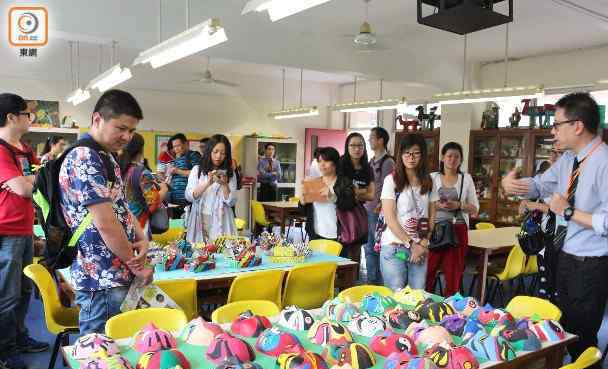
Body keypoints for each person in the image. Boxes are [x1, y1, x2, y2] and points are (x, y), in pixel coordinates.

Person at [502, 92, 608, 368]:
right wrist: (516, 186)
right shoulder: (569, 160)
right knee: (561, 331)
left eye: (557, 124)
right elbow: (540, 184)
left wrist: (568, 211)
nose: (553, 131)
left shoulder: (604, 163)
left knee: (582, 337)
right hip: (562, 255)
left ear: (577, 126)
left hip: (590, 265)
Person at [59, 89, 153, 335]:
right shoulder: (84, 157)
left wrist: (140, 237)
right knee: (99, 350)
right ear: (97, 119)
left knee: (117, 346)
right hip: (101, 276)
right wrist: (137, 267)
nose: (127, 137)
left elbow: (120, 206)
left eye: (131, 131)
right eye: (121, 128)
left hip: (115, 271)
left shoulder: (105, 157)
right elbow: (106, 223)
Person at [0, 93, 48, 369]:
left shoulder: (24, 149)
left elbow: (41, 177)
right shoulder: (1, 149)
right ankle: (4, 350)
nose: (30, 118)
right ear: (11, 117)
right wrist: (29, 180)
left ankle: (19, 337)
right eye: (27, 113)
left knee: (24, 290)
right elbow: (24, 188)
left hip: (25, 228)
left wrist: (30, 179)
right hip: (6, 231)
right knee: (7, 294)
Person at [379, 134, 434, 291]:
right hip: (395, 247)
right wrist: (411, 245)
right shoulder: (392, 181)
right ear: (400, 155)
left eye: (416, 153)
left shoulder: (429, 181)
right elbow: (390, 219)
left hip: (421, 248)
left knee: (418, 296)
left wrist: (423, 243)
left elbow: (432, 216)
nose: (411, 157)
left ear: (422, 155)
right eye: (407, 153)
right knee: (396, 297)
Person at [425, 142, 479, 296]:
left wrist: (458, 204)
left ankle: (450, 313)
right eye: (449, 156)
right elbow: (422, 204)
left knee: (453, 274)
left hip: (457, 230)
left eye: (457, 157)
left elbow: (475, 208)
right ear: (442, 158)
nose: (452, 159)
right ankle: (423, 305)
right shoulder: (432, 177)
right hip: (434, 229)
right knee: (427, 271)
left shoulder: (466, 179)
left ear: (461, 160)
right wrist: (437, 205)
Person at [185, 134, 238, 243]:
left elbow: (231, 202)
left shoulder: (230, 173)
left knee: (221, 252)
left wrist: (224, 184)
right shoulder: (197, 170)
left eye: (223, 153)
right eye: (215, 152)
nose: (218, 156)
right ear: (209, 151)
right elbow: (189, 196)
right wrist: (207, 183)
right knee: (199, 253)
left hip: (222, 220)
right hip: (200, 217)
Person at [119, 133, 169, 239]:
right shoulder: (142, 173)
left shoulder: (117, 168)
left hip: (119, 224)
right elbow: (153, 201)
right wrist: (164, 188)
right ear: (141, 149)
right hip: (138, 225)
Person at [301, 147, 357, 242]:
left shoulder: (345, 182)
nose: (322, 164)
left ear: (335, 162)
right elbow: (305, 212)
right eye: (319, 161)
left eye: (326, 161)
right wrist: (302, 201)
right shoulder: (314, 182)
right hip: (316, 235)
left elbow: (350, 205)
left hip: (339, 236)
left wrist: (333, 197)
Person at [365, 127, 395, 285]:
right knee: (368, 248)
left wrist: (382, 205)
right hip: (367, 209)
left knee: (378, 248)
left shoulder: (388, 162)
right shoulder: (371, 161)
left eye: (372, 137)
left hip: (378, 212)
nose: (369, 140)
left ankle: (382, 285)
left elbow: (388, 186)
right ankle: (371, 282)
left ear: (381, 140)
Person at [338, 133, 374, 263]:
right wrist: (361, 191)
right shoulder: (340, 164)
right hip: (340, 213)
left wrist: (353, 191)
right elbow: (338, 191)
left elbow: (371, 195)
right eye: (353, 145)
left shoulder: (367, 168)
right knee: (340, 250)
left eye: (360, 145)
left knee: (355, 250)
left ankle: (353, 280)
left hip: (357, 214)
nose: (357, 149)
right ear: (347, 147)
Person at [167, 133, 201, 216]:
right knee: (176, 226)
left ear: (186, 144)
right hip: (174, 201)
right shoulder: (176, 159)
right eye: (174, 147)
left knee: (187, 226)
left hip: (188, 201)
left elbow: (198, 174)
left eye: (178, 145)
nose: (176, 149)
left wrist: (177, 171)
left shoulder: (193, 155)